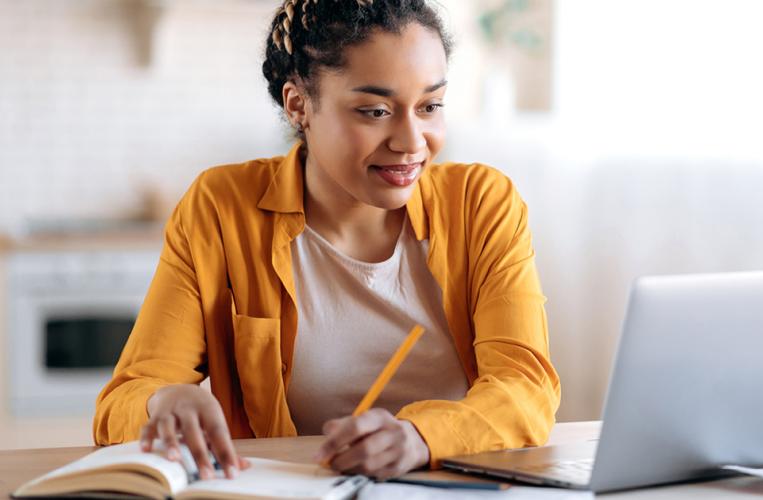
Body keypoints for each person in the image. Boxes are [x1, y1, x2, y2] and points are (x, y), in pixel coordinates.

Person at [94, 0, 560, 482]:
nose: (411, 141)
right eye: (375, 111)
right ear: (299, 105)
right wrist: (161, 401)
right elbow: (122, 400)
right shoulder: (221, 208)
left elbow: (525, 387)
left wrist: (420, 437)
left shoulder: (481, 203)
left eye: (430, 106)